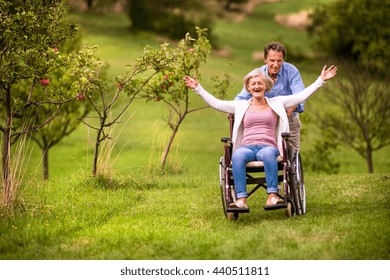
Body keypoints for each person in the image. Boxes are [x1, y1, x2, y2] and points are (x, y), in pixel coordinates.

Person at [184, 65, 337, 209]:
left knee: (269, 154)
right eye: (253, 84)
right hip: (247, 147)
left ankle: (272, 196)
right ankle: (241, 199)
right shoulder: (241, 105)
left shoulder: (277, 102)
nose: (256, 86)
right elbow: (216, 103)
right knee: (237, 156)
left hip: (268, 146)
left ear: (265, 86)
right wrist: (197, 88)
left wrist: (321, 80)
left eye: (259, 83)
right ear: (248, 88)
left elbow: (300, 97)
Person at [235, 41, 304, 151]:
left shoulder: (292, 71)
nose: (275, 65)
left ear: (283, 60)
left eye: (279, 61)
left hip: (289, 118)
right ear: (265, 59)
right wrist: (233, 109)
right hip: (265, 121)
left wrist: (292, 108)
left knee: (293, 152)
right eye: (272, 60)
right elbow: (241, 98)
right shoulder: (258, 74)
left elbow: (300, 95)